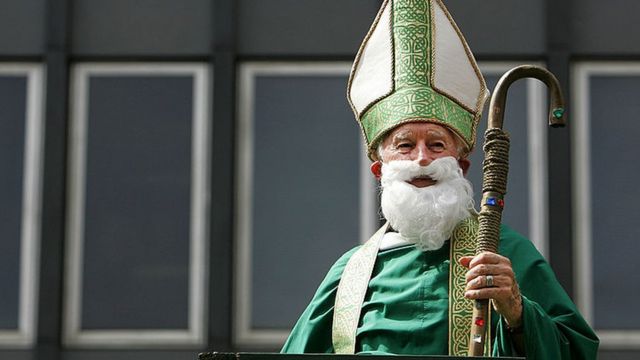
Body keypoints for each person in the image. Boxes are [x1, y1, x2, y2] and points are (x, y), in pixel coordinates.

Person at [282, 0, 599, 358]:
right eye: (405, 145)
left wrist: (517, 310)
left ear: (461, 166)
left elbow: (576, 352)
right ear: (379, 170)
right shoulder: (350, 274)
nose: (421, 159)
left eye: (436, 144)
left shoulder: (503, 253)